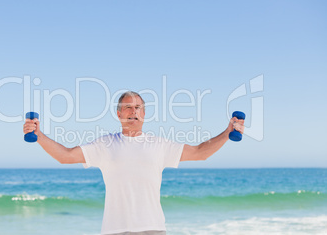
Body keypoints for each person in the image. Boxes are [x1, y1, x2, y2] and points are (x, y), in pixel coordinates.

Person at [23, 91, 245, 235]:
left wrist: (227, 133)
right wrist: (39, 135)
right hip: (114, 230)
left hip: (153, 229)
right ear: (119, 114)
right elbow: (66, 156)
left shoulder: (159, 145)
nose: (133, 111)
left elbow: (199, 152)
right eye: (128, 107)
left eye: (138, 107)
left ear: (144, 114)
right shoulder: (105, 145)